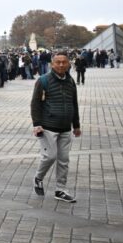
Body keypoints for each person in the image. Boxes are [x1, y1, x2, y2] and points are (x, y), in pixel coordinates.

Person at [31, 52, 82, 203]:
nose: (61, 65)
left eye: (64, 62)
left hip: (65, 127)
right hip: (48, 127)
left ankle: (60, 190)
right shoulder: (43, 80)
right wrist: (37, 124)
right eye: (57, 62)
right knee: (50, 156)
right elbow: (35, 104)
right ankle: (38, 177)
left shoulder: (70, 81)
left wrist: (76, 125)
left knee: (63, 160)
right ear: (52, 64)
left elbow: (74, 103)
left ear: (69, 64)